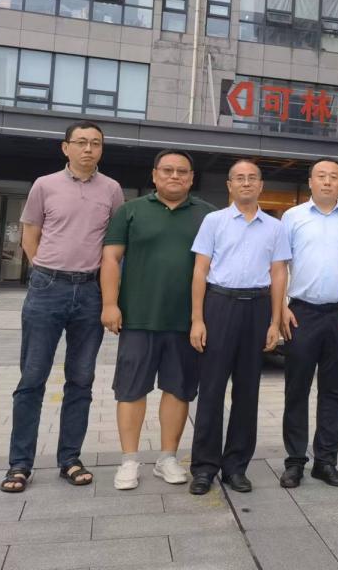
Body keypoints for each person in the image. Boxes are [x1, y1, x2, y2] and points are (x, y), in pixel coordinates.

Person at [1, 122, 124, 493]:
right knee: (32, 378)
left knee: (81, 380)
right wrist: (43, 269)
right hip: (47, 288)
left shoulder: (112, 189)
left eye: (95, 143)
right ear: (65, 147)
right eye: (81, 142)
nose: (88, 149)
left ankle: (70, 458)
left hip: (90, 291)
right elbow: (30, 235)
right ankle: (19, 464)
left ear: (101, 149)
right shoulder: (44, 185)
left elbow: (114, 243)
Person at [100, 150, 214, 490]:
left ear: (191, 178)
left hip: (186, 322)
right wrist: (110, 304)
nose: (174, 176)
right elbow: (110, 258)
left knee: (178, 390)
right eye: (167, 170)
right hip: (138, 317)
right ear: (154, 175)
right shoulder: (130, 211)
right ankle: (129, 461)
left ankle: (167, 458)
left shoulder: (208, 216)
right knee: (130, 389)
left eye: (182, 171)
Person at [188, 159, 290, 495]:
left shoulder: (275, 227)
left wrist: (274, 321)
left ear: (261, 185)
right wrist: (198, 319)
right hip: (219, 304)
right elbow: (200, 270)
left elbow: (278, 273)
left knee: (248, 391)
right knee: (212, 389)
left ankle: (236, 467)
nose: (246, 183)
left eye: (252, 178)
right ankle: (204, 468)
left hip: (257, 308)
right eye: (239, 178)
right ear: (229, 185)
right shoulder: (214, 221)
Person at [279, 159, 338, 488]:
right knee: (296, 389)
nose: (327, 182)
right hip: (301, 313)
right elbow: (280, 265)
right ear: (310, 181)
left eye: (334, 177)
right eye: (321, 176)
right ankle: (295, 462)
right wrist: (282, 307)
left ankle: (326, 461)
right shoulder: (292, 217)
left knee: (335, 390)